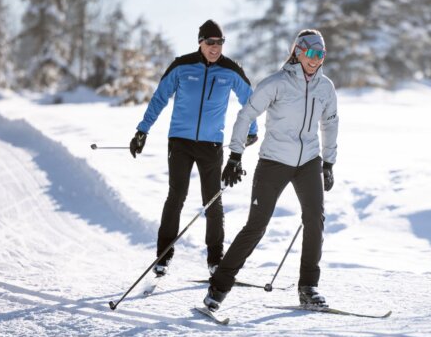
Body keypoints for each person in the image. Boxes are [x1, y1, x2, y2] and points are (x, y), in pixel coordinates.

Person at [203, 29, 338, 312]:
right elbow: (247, 114)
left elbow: (330, 123)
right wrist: (235, 155)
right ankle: (219, 287)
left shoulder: (325, 87)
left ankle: (308, 287)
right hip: (274, 161)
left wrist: (328, 162)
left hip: (308, 161)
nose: (316, 60)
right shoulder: (277, 83)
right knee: (257, 226)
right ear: (298, 52)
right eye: (311, 53)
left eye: (321, 54)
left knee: (315, 220)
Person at [130, 19, 258, 277]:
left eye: (220, 42)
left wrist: (252, 131)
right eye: (210, 42)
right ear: (200, 42)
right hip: (180, 142)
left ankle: (215, 258)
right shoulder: (181, 66)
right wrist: (142, 130)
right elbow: (159, 98)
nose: (215, 47)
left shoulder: (230, 70)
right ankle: (163, 256)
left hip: (211, 145)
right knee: (176, 197)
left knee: (213, 201)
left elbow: (251, 101)